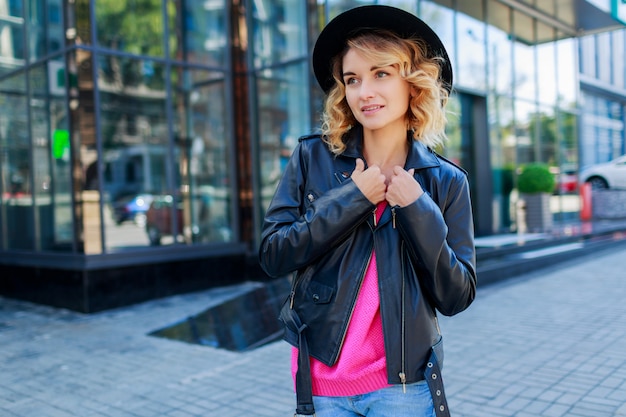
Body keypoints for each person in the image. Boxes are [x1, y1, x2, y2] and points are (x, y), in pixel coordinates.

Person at [258, 5, 477, 417]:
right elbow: (274, 254)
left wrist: (418, 210)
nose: (364, 92)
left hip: (404, 387)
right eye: (352, 79)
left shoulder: (447, 182)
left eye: (381, 74)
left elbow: (457, 295)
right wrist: (353, 199)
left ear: (413, 83)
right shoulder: (312, 158)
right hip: (322, 383)